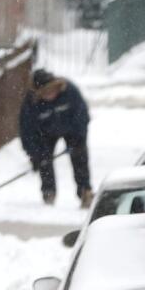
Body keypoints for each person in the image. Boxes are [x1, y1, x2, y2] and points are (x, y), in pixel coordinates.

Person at [18, 68, 92, 207]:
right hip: (45, 133)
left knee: (79, 155)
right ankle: (48, 192)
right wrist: (34, 154)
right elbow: (27, 131)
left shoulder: (69, 92)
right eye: (46, 92)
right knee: (44, 159)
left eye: (52, 90)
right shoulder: (31, 103)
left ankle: (84, 191)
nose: (51, 94)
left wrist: (79, 139)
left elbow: (81, 116)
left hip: (71, 129)